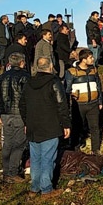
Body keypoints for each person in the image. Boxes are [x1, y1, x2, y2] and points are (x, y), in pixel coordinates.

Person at [19, 57, 71, 197]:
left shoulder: (28, 82)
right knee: (48, 157)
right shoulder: (54, 82)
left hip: (33, 126)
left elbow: (22, 105)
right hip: (50, 125)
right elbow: (62, 105)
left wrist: (26, 122)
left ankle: (34, 187)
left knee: (35, 158)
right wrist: (66, 124)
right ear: (51, 66)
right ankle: (46, 188)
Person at [0, 52, 30, 184]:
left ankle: (6, 171)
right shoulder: (25, 77)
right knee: (19, 144)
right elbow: (26, 99)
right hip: (19, 114)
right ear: (21, 63)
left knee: (8, 143)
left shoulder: (1, 78)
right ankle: (13, 172)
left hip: (5, 113)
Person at [65, 49, 103, 154]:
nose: (93, 59)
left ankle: (95, 150)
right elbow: (67, 90)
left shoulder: (94, 70)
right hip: (79, 105)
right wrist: (68, 105)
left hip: (93, 104)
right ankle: (75, 148)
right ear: (84, 59)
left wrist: (100, 101)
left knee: (95, 127)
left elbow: (99, 86)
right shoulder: (72, 72)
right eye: (90, 57)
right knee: (77, 127)